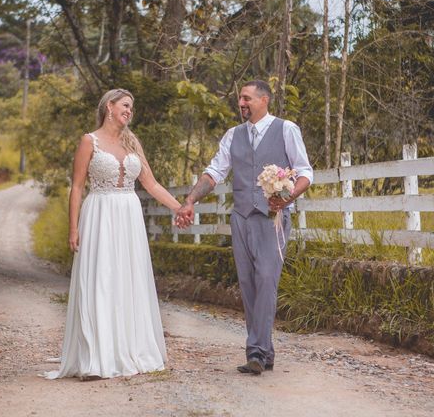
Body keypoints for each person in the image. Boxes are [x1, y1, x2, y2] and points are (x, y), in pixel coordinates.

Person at [176, 80, 313, 375]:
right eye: (240, 98)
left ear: (264, 100)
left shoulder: (286, 129)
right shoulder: (232, 135)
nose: (241, 103)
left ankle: (257, 352)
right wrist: (190, 200)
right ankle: (264, 351)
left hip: (272, 218)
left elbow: (305, 172)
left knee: (266, 278)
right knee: (249, 283)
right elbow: (214, 173)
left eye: (247, 98)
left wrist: (287, 196)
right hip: (241, 217)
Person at [44, 89, 182, 380]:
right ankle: (96, 357)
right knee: (101, 280)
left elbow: (152, 184)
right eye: (125, 105)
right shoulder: (88, 141)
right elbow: (78, 187)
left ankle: (130, 348)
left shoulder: (132, 143)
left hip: (129, 217)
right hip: (100, 215)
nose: (129, 111)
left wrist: (179, 208)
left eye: (132, 107)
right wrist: (73, 227)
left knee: (128, 279)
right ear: (109, 106)